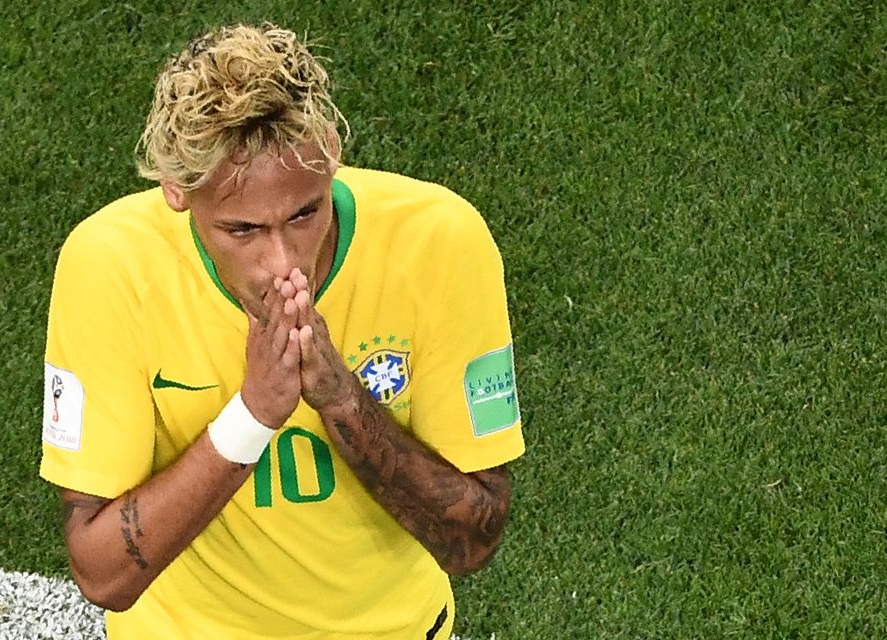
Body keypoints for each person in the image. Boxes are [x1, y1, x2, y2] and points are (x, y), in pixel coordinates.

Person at [39, 22, 525, 639]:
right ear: (176, 190)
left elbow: (472, 541)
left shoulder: (441, 243)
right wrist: (254, 413)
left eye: (304, 213)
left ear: (330, 153)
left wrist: (342, 400)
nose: (283, 262)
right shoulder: (110, 265)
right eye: (242, 230)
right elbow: (104, 574)